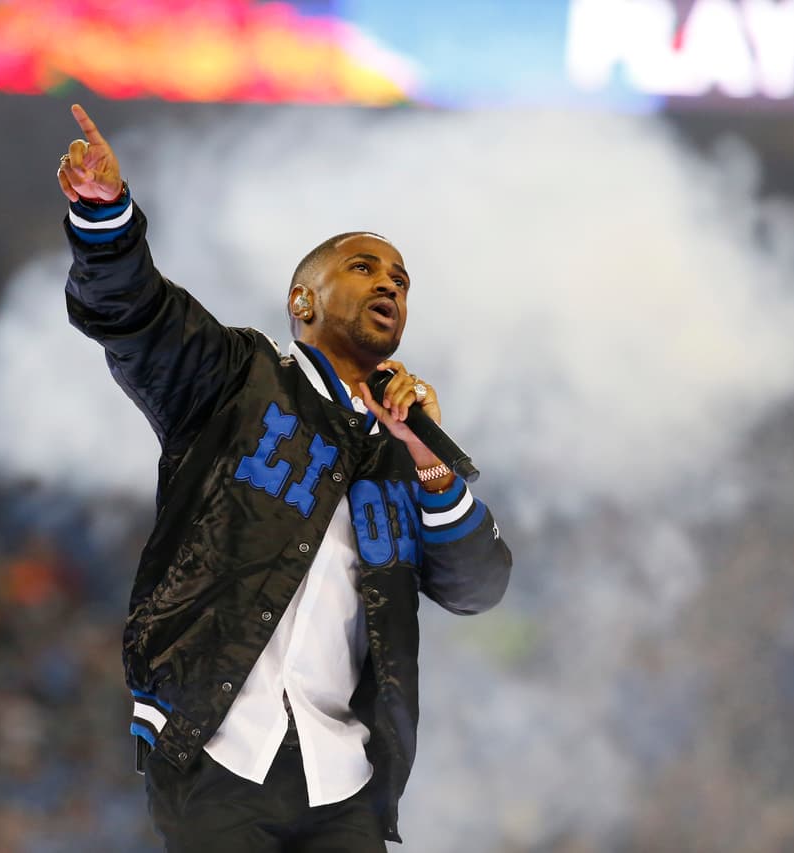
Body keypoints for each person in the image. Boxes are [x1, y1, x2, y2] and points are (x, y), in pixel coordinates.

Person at [56, 103, 512, 851]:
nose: (389, 284)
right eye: (363, 267)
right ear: (303, 302)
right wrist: (107, 218)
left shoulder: (406, 452)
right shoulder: (237, 374)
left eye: (400, 277)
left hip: (345, 780)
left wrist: (429, 459)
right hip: (218, 742)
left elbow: (480, 585)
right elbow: (134, 312)